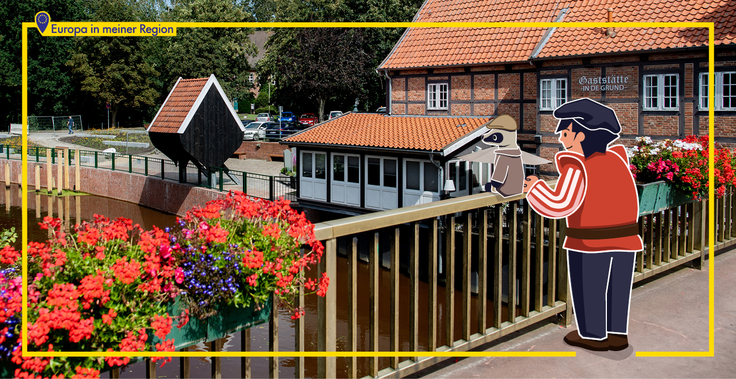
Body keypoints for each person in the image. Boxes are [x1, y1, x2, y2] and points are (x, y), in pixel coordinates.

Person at [523, 98, 643, 352]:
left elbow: (561, 204)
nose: (562, 139)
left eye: (565, 133)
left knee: (590, 289)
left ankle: (593, 336)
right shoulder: (617, 159)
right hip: (626, 238)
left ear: (581, 135)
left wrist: (534, 188)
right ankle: (617, 335)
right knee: (617, 289)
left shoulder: (577, 166)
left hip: (590, 241)